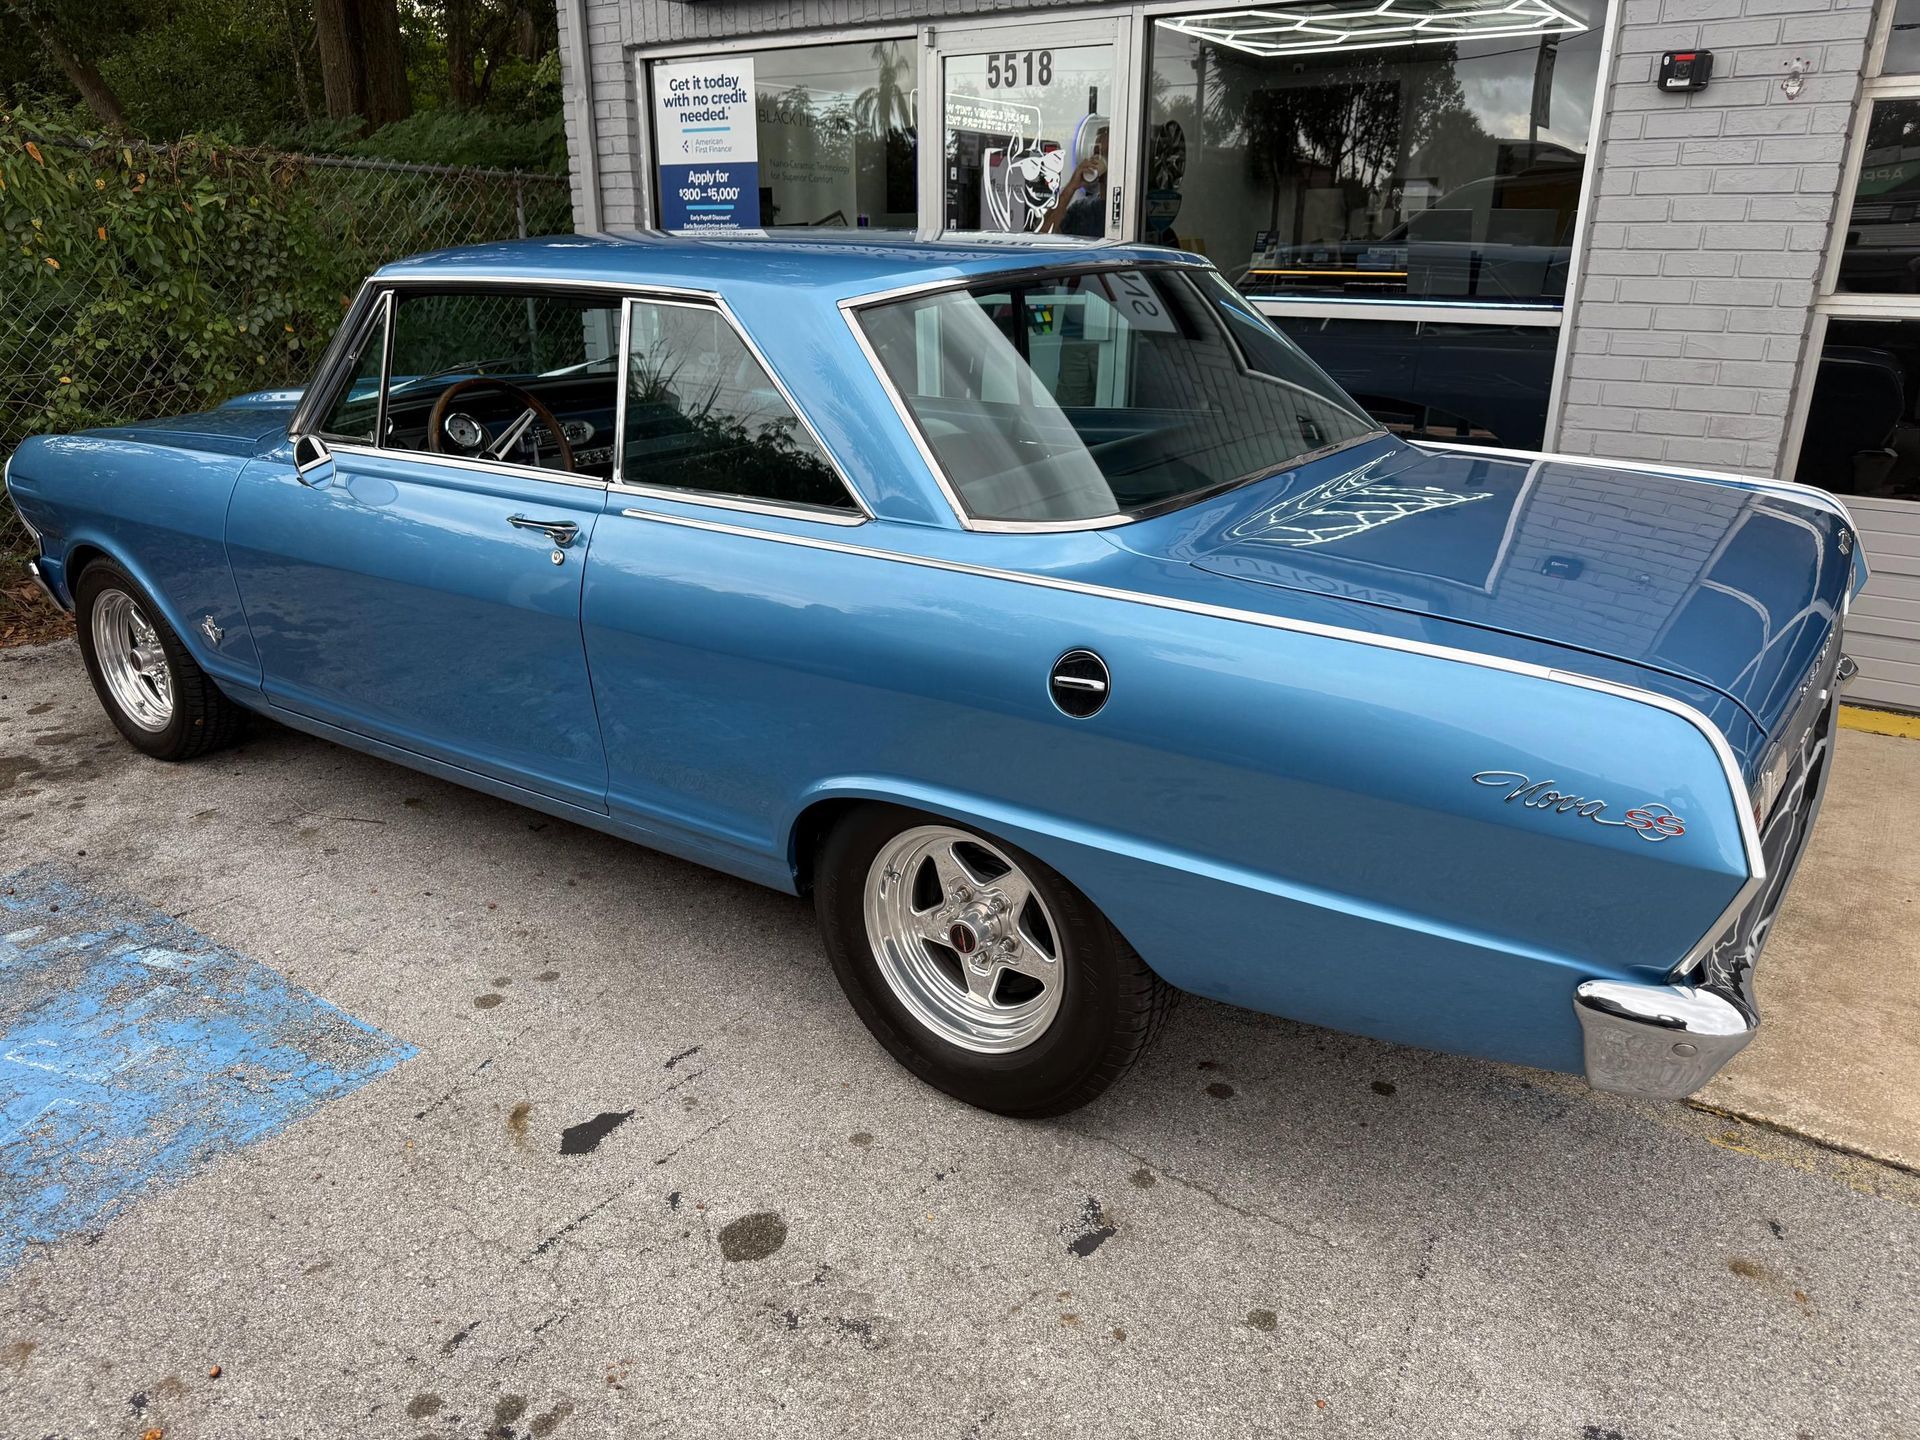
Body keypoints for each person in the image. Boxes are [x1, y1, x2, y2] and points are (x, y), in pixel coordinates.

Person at [1038, 125, 1107, 238]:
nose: (1100, 158)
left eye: (1107, 153)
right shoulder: (1083, 210)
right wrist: (1071, 187)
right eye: (1097, 152)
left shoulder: (1133, 209)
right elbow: (1043, 235)